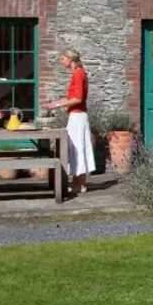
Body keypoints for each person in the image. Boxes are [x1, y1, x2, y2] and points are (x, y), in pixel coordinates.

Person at [46, 48, 93, 195]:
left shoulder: (78, 74)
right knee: (78, 149)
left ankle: (79, 184)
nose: (61, 61)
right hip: (77, 116)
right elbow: (72, 98)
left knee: (76, 149)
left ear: (70, 59)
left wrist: (58, 105)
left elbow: (78, 99)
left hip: (78, 117)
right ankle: (80, 184)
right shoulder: (78, 73)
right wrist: (55, 102)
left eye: (63, 58)